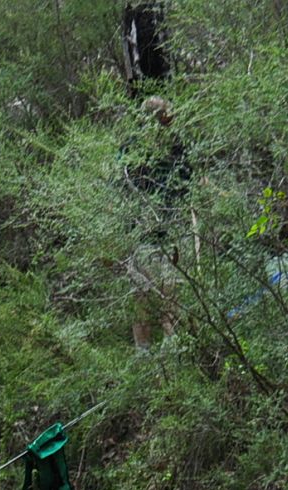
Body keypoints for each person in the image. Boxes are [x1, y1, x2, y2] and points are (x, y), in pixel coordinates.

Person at [125, 95, 189, 350]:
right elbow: (122, 183)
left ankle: (174, 347)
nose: (170, 119)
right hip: (143, 237)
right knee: (143, 296)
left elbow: (187, 180)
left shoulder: (176, 147)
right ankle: (145, 352)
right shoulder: (131, 147)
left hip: (170, 233)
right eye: (165, 115)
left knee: (169, 295)